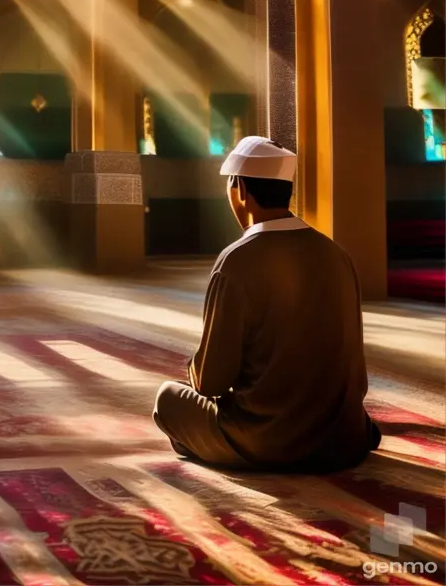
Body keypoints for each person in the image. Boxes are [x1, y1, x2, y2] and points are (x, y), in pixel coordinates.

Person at [153, 135, 381, 473]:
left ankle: (229, 450)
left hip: (268, 439)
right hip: (343, 438)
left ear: (241, 190)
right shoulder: (336, 254)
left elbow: (210, 383)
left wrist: (195, 367)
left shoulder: (237, 260)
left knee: (167, 399)